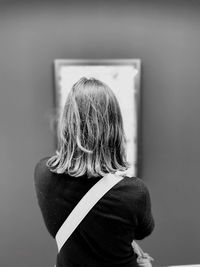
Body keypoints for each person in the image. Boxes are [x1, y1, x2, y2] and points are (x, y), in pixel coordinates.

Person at [34, 77, 155, 267]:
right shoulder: (134, 192)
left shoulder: (42, 173)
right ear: (115, 129)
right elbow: (142, 231)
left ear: (68, 124)